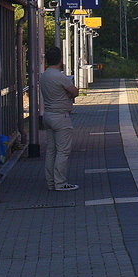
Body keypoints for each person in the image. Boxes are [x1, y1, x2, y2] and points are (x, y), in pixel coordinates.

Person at [40, 45, 80, 191]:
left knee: (51, 151)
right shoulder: (60, 76)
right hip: (61, 117)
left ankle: (51, 182)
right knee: (63, 151)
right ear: (60, 60)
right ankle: (60, 182)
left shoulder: (44, 76)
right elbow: (75, 91)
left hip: (48, 115)